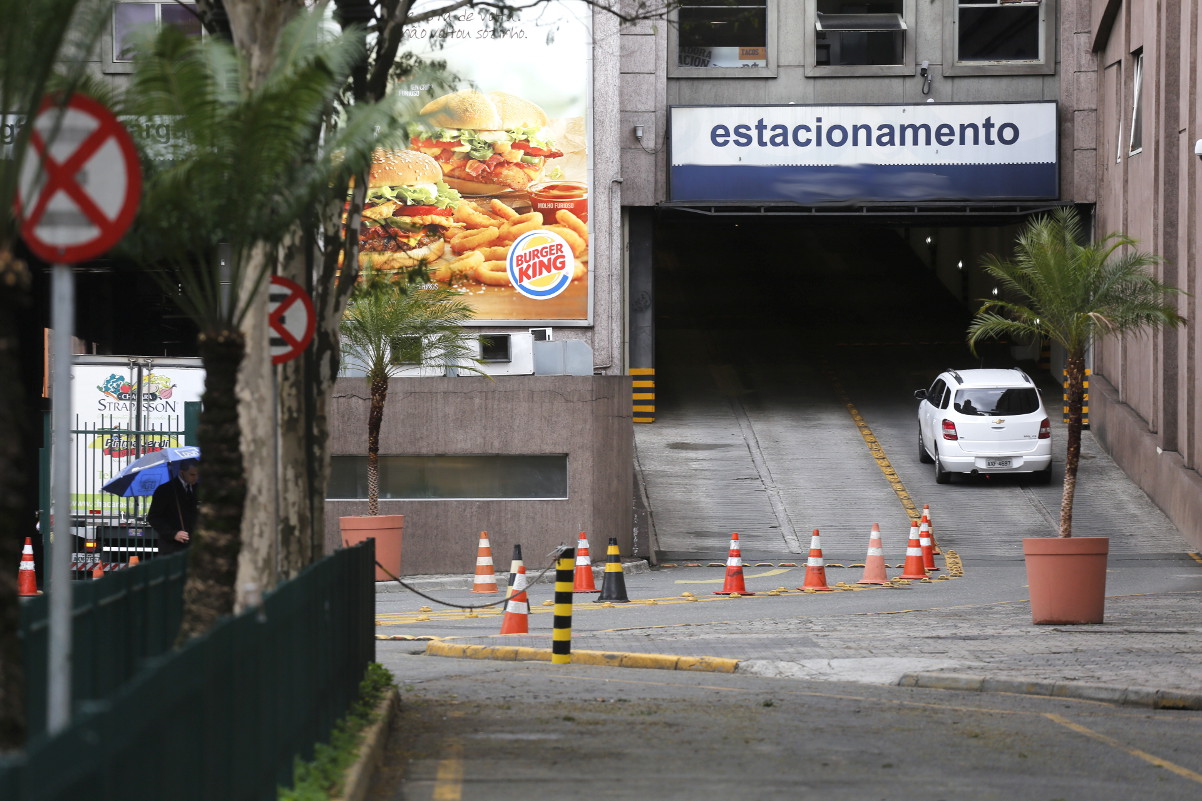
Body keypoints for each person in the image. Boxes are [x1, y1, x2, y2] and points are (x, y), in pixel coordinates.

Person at [148, 459, 199, 556]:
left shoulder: (199, 489)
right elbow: (154, 517)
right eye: (192, 475)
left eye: (197, 474)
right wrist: (173, 534)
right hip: (172, 548)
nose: (195, 478)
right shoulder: (165, 490)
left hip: (195, 548)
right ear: (182, 472)